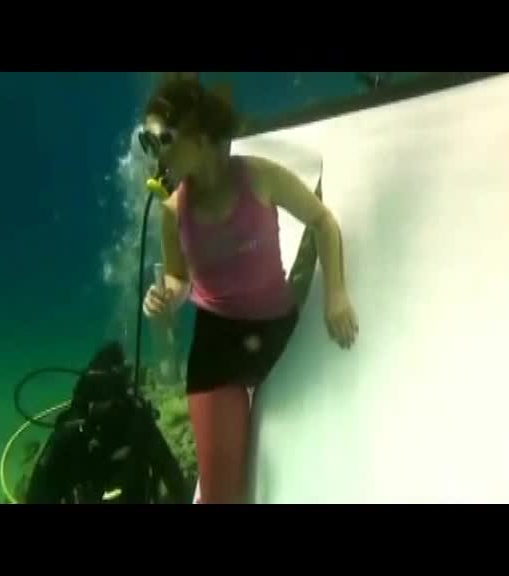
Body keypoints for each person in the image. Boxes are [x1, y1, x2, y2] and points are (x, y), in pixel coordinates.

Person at [140, 73, 358, 503]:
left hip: (277, 329)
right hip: (217, 344)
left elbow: (322, 221)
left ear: (201, 138)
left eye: (162, 139)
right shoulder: (172, 210)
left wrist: (336, 294)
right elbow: (179, 278)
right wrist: (167, 295)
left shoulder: (259, 177)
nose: (154, 154)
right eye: (147, 142)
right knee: (221, 497)